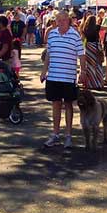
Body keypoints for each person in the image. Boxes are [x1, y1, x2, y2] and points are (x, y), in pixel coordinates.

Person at [41, 10, 86, 148]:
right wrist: (44, 71)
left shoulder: (75, 35)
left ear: (69, 21)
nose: (61, 22)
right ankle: (55, 133)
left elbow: (81, 55)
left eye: (64, 20)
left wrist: (82, 71)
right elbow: (48, 54)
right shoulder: (52, 34)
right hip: (53, 76)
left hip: (68, 77)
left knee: (68, 105)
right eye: (58, 20)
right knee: (55, 104)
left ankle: (68, 135)